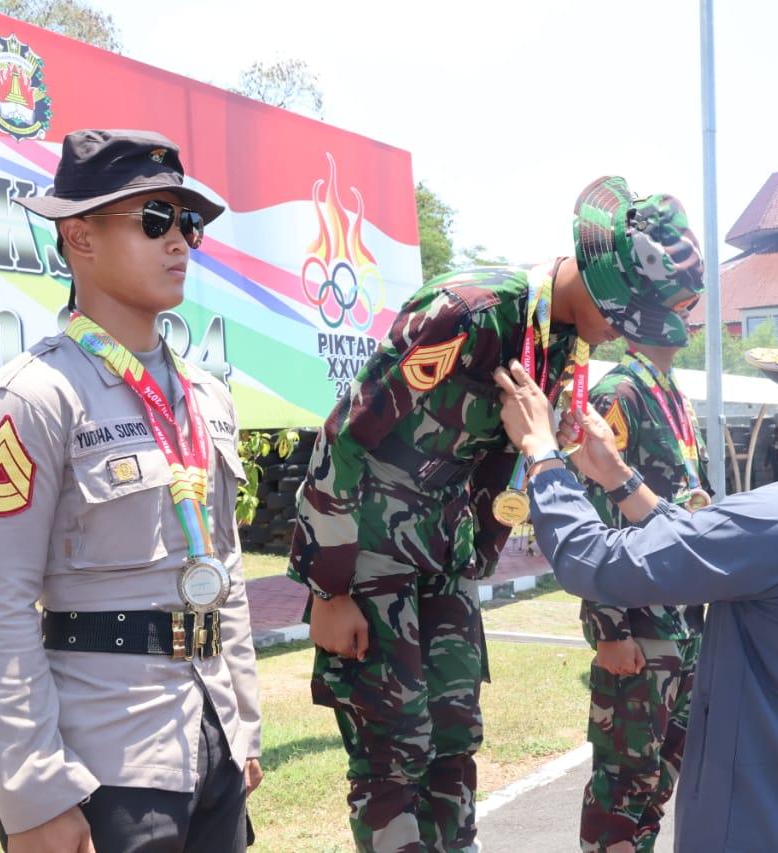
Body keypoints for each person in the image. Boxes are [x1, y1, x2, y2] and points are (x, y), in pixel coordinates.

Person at [288, 176, 704, 851]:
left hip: (444, 565)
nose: (621, 335)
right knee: (391, 760)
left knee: (453, 746)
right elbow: (345, 435)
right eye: (621, 316)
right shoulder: (468, 312)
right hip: (372, 565)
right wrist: (328, 588)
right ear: (598, 280)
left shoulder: (565, 343)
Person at [495, 309, 778, 850]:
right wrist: (617, 477)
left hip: (761, 829)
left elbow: (595, 560)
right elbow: (712, 548)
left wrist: (541, 457)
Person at [0, 129, 262, 851]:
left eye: (186, 223)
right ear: (79, 238)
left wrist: (243, 719)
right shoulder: (31, 400)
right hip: (105, 760)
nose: (180, 242)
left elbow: (228, 572)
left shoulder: (206, 396)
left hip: (209, 735)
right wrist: (32, 793)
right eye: (153, 221)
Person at [576, 335, 709, 852]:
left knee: (658, 781)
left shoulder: (671, 393)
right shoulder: (618, 393)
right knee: (623, 783)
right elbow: (593, 520)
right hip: (639, 626)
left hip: (683, 621)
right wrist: (609, 627)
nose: (687, 316)